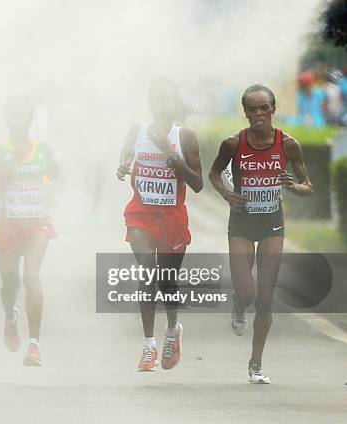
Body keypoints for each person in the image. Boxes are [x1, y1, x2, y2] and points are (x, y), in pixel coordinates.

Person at [209, 84, 313, 384]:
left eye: (263, 108)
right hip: (241, 223)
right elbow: (214, 174)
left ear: (273, 110)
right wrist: (228, 194)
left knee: (265, 299)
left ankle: (255, 363)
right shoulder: (232, 144)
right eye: (252, 109)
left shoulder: (288, 144)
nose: (258, 114)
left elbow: (308, 187)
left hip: (272, 224)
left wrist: (294, 187)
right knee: (247, 292)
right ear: (245, 112)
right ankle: (238, 303)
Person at [117, 79, 203, 372]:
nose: (158, 103)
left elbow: (198, 183)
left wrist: (173, 158)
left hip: (172, 219)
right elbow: (125, 156)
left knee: (166, 282)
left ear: (174, 101)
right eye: (153, 98)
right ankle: (147, 345)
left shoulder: (185, 136)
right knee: (147, 274)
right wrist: (122, 166)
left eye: (164, 98)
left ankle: (172, 331)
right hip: (140, 213)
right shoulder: (137, 131)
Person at [0, 96, 59, 367]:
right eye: (14, 116)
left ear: (30, 119)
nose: (19, 121)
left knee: (32, 277)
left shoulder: (41, 148)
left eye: (24, 116)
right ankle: (10, 317)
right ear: (7, 119)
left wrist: (52, 168)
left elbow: (55, 176)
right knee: (11, 283)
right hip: (7, 224)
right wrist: (9, 164)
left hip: (36, 223)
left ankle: (34, 345)